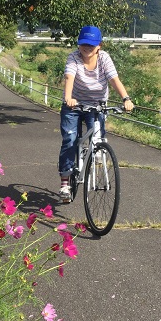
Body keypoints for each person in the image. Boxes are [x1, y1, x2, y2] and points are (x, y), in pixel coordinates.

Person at [58, 25, 134, 202]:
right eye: (84, 43)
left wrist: (126, 99)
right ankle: (65, 183)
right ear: (79, 44)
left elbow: (114, 79)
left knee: (98, 139)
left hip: (97, 105)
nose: (87, 47)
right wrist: (68, 98)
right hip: (74, 105)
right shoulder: (74, 57)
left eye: (91, 44)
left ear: (99, 45)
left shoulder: (104, 59)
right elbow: (69, 77)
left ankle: (93, 154)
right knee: (70, 140)